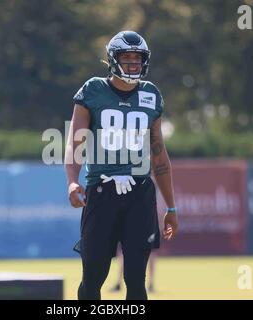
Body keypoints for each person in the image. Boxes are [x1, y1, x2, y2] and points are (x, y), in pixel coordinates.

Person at [65, 30, 178, 300]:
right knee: (93, 277)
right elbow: (75, 142)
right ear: (113, 60)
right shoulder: (94, 89)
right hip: (101, 191)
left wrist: (171, 206)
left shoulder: (151, 94)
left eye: (137, 58)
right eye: (126, 58)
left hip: (140, 193)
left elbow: (159, 156)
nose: (133, 64)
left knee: (136, 279)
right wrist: (72, 179)